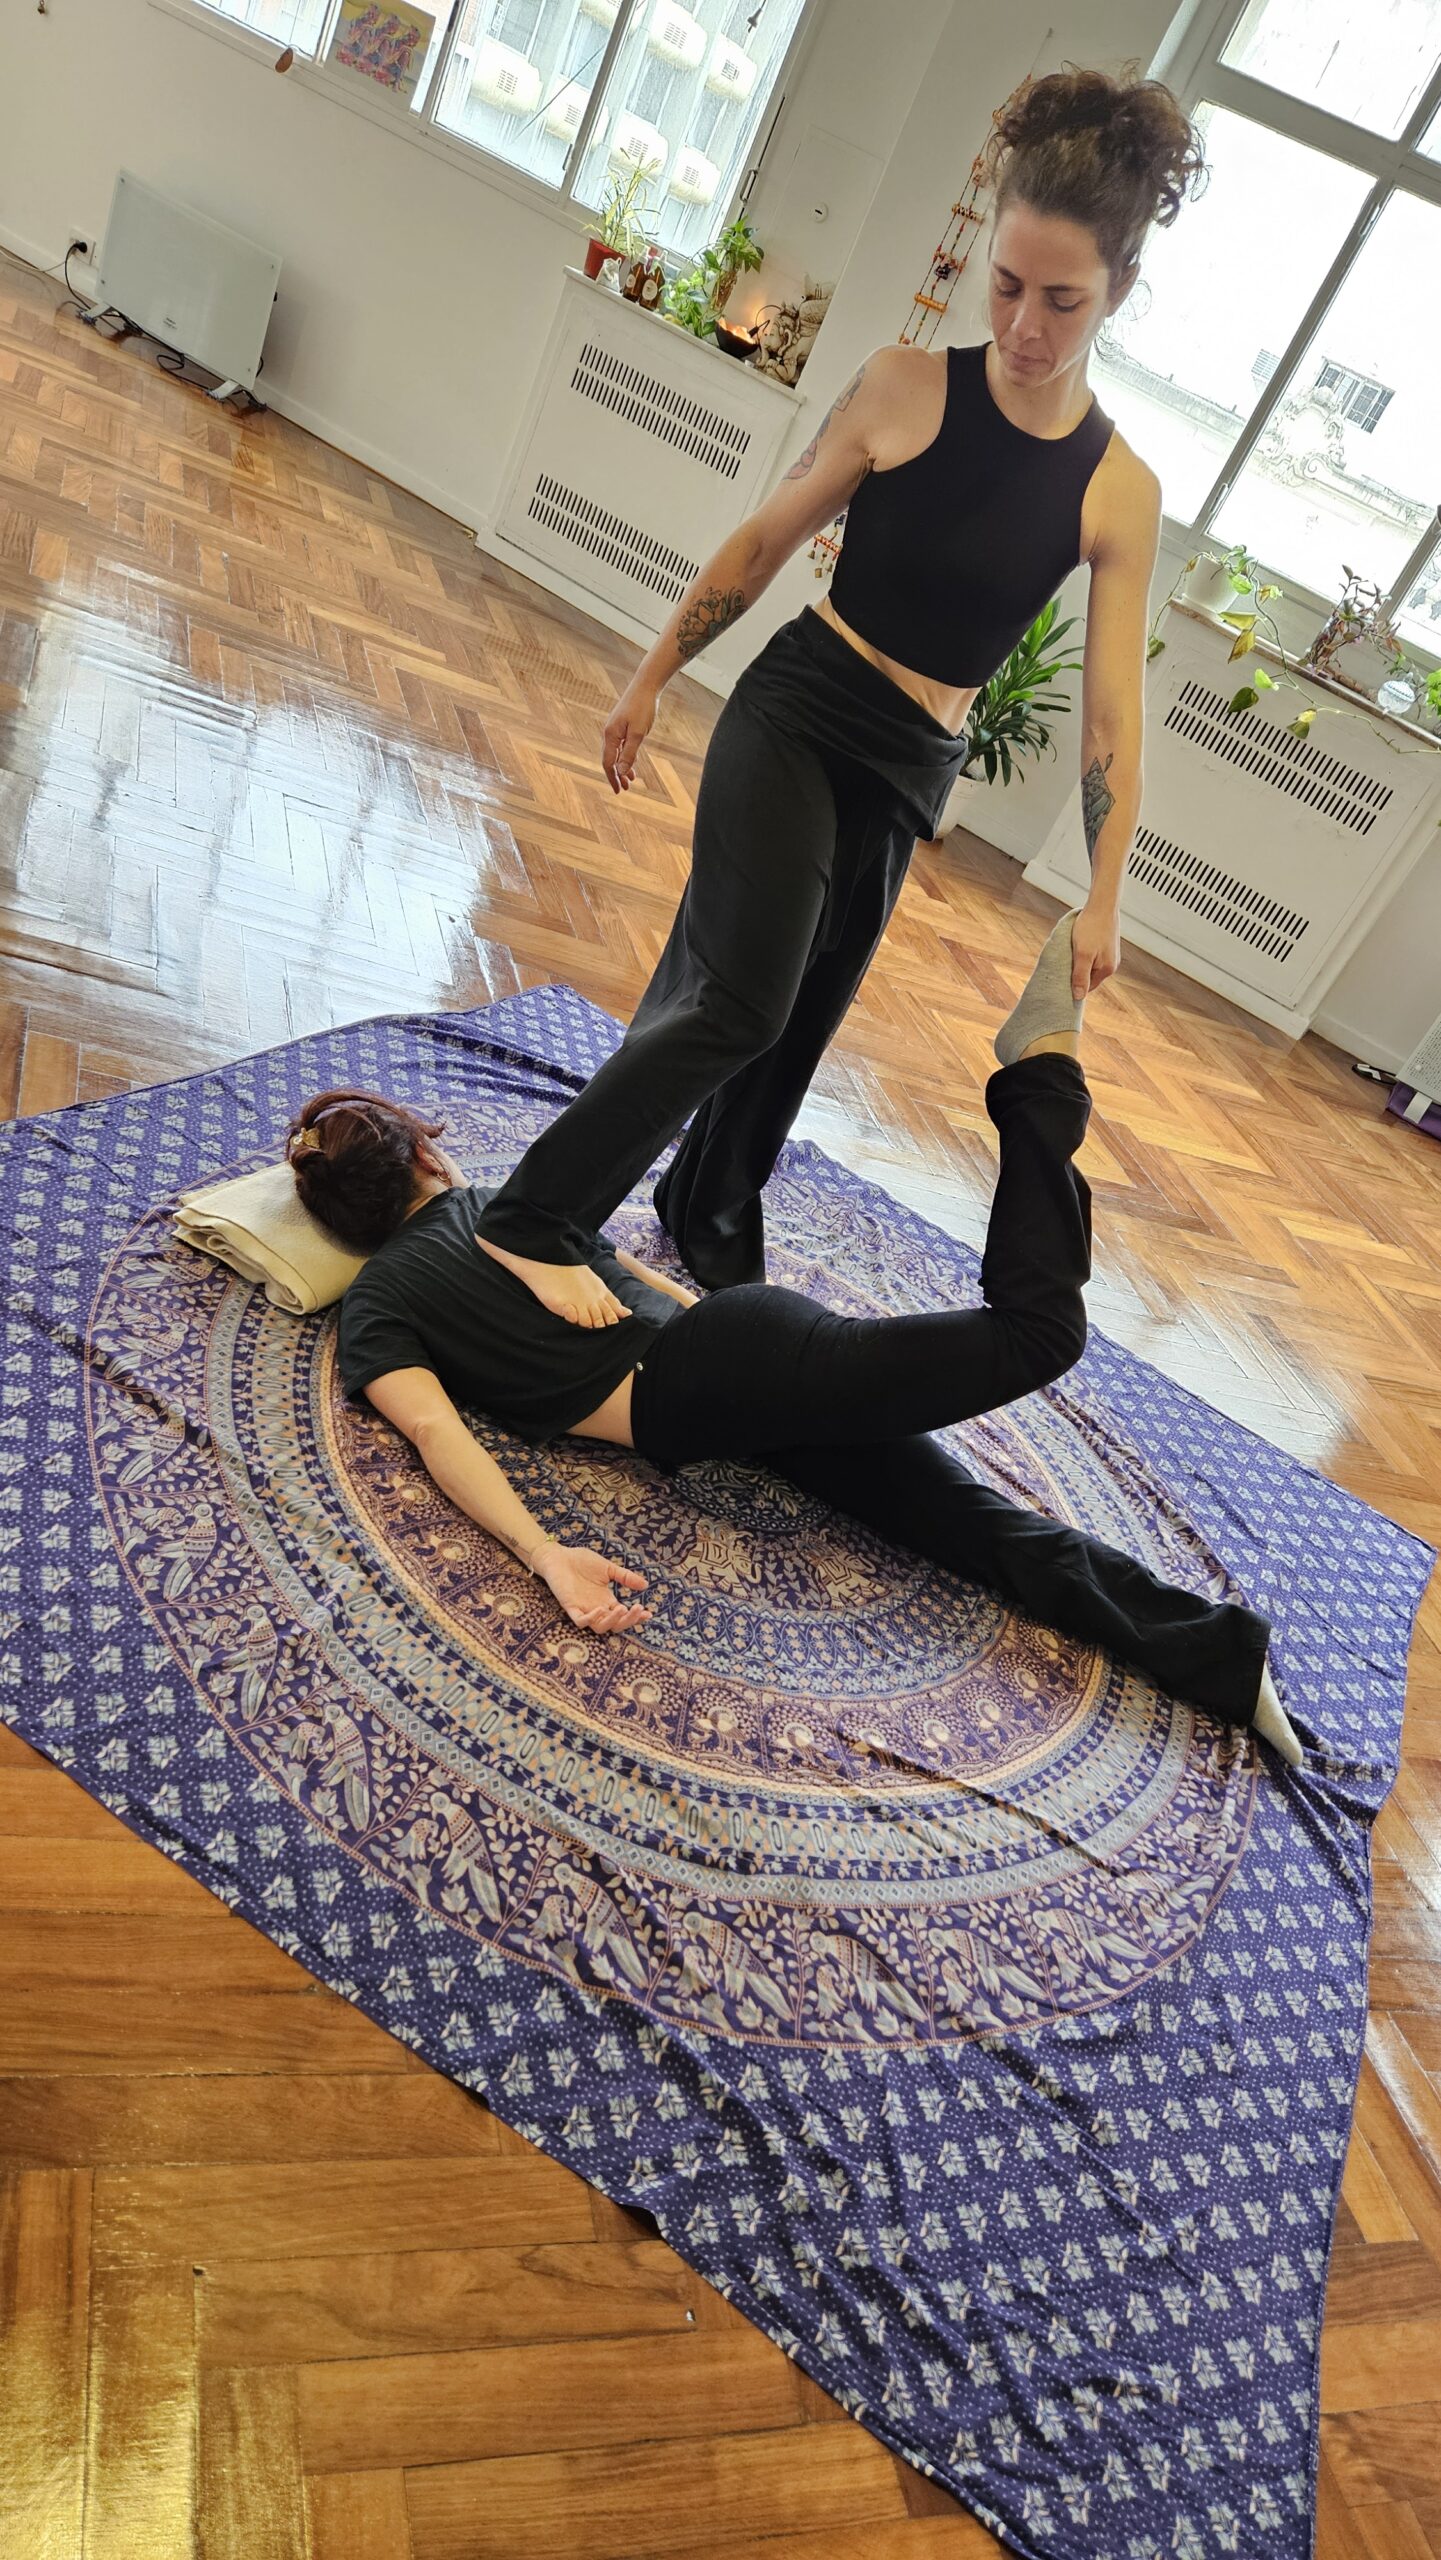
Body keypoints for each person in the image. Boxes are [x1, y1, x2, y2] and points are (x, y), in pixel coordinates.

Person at [469, 66, 1204, 1329]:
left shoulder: (1116, 489)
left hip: (913, 765)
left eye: (1062, 300)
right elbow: (764, 542)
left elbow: (1108, 720)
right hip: (798, 713)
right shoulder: (903, 385)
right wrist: (650, 678)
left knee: (798, 1023)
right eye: (1006, 285)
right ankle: (529, 1221)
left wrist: (1104, 891)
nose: (1025, 325)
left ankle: (706, 1212)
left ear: (1119, 292)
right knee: (744, 996)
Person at [288, 921, 1304, 1767]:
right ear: (426, 1156)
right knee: (957, 1520)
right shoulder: (507, 1207)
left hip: (725, 1377)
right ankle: (1218, 1657)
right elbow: (644, 1282)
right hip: (734, 1371)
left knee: (1037, 1334)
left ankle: (1040, 1079)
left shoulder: (376, 1304)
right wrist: (705, 1342)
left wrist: (545, 1553)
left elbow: (436, 1431)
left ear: (344, 1226)